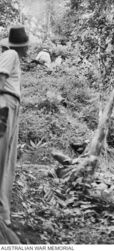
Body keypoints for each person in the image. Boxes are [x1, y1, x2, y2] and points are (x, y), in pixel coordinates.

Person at [0, 25, 29, 226]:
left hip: (12, 106)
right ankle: (3, 213)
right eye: (26, 46)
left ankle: (3, 212)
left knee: (8, 160)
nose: (28, 49)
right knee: (2, 158)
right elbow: (0, 79)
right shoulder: (11, 54)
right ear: (21, 46)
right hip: (5, 105)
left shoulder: (13, 57)